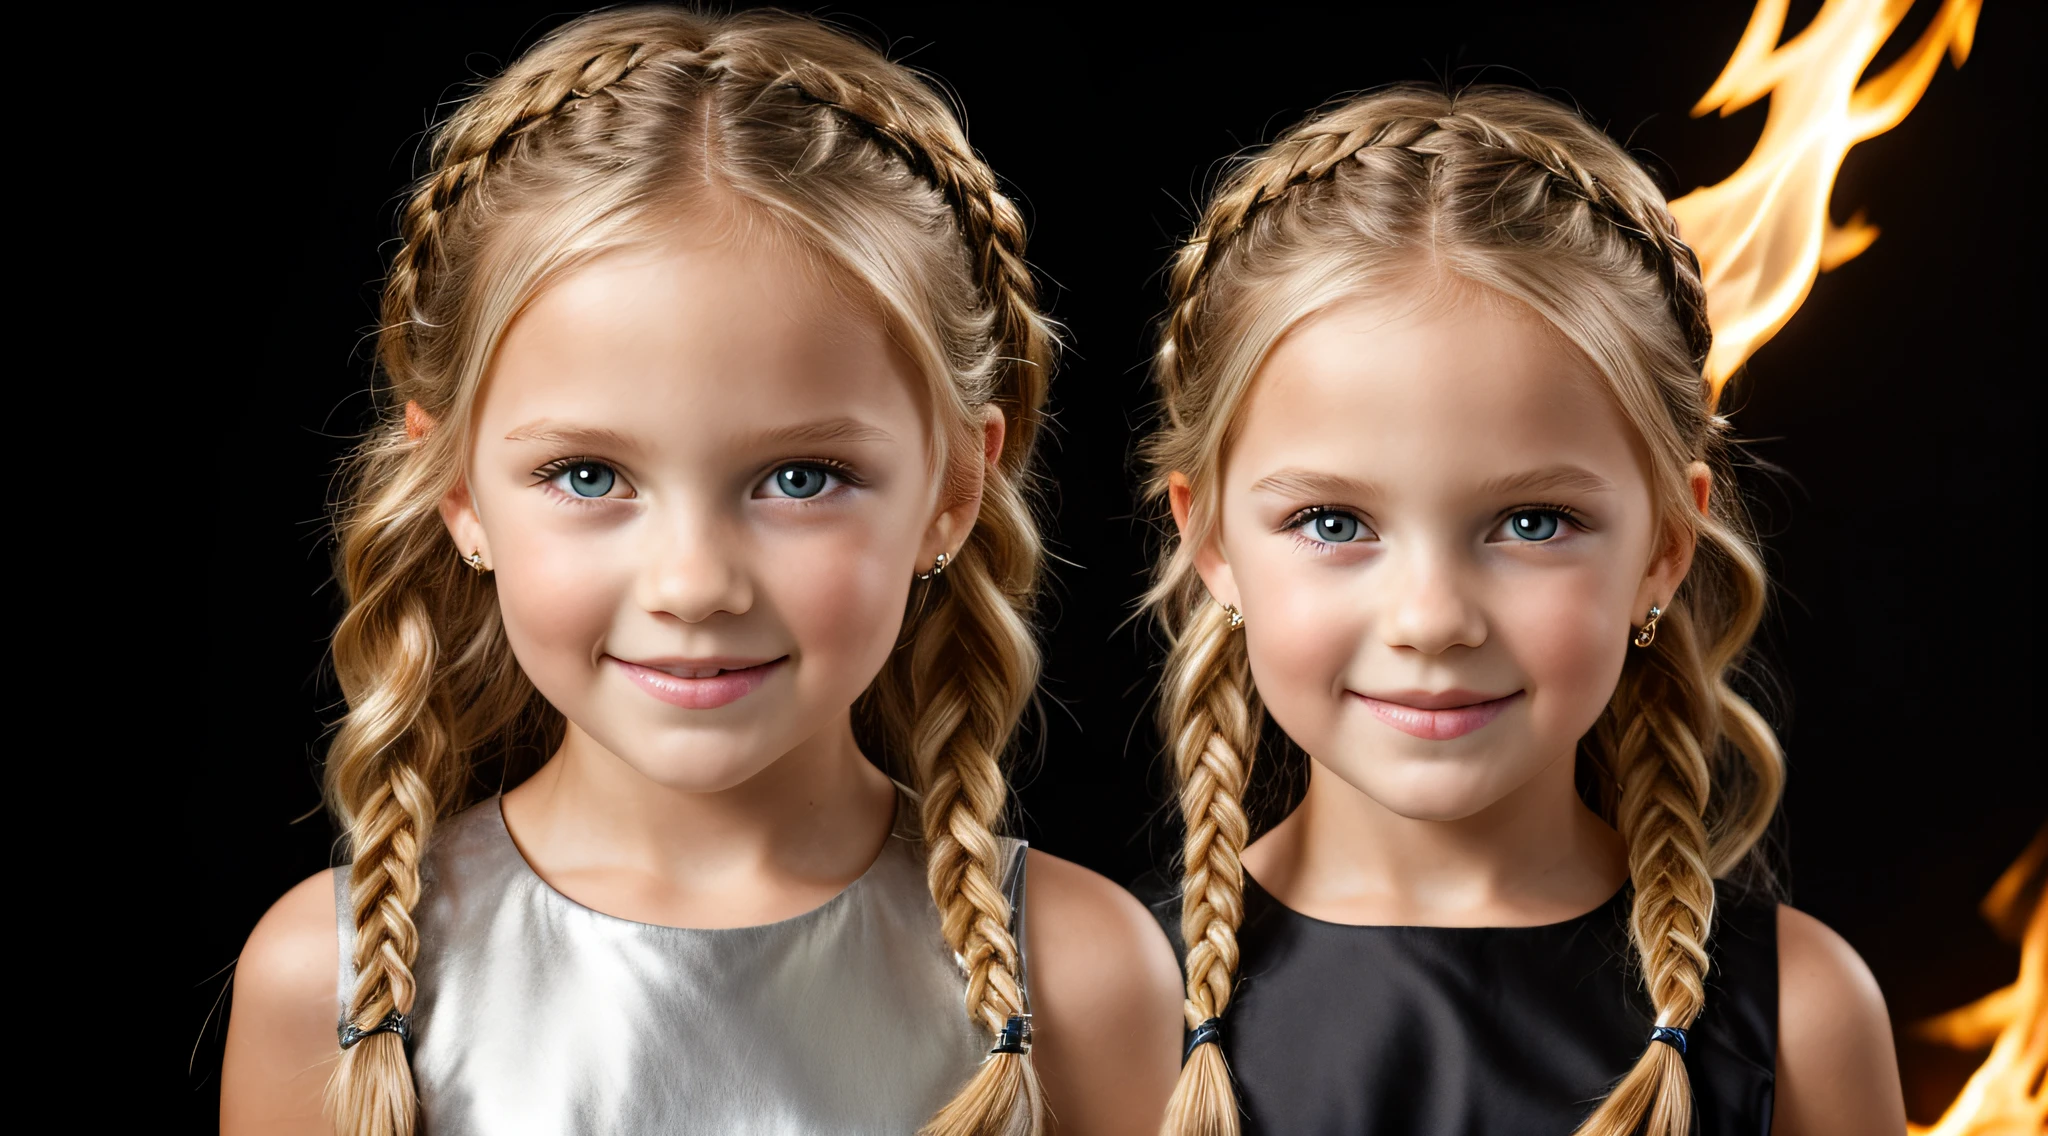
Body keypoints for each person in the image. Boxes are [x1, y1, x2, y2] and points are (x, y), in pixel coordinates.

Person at [220, 8, 1180, 1134]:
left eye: (800, 477)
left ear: (954, 491)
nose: (693, 583)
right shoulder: (330, 982)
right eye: (586, 476)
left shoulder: (1083, 975)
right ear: (460, 493)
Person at [1142, 84, 1904, 1136]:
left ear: (1662, 549)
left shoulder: (1801, 1013)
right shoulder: (1106, 1005)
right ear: (1211, 542)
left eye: (1532, 522)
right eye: (1330, 521)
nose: (1431, 617)